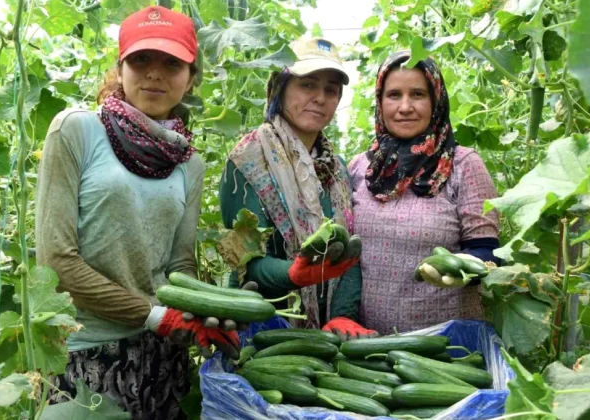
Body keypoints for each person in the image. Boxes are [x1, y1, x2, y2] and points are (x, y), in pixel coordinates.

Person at [35, 6, 238, 418]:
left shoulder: (188, 162)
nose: (155, 74)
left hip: (164, 351)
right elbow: (55, 260)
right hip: (85, 349)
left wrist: (211, 311)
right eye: (141, 59)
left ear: (191, 76)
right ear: (121, 66)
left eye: (172, 63)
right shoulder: (75, 129)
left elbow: (179, 262)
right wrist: (153, 315)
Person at [219, 38, 377, 340]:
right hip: (264, 328)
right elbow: (244, 263)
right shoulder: (246, 163)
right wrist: (293, 275)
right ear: (280, 88)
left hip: (324, 339)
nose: (320, 98)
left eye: (331, 90)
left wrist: (343, 315)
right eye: (307, 85)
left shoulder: (337, 169)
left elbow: (349, 256)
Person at [348, 50, 501, 335]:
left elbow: (489, 252)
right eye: (394, 95)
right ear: (380, 102)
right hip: (367, 346)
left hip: (446, 347)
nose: (405, 107)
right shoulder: (360, 167)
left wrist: (460, 273)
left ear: (436, 100)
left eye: (418, 94)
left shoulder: (464, 165)